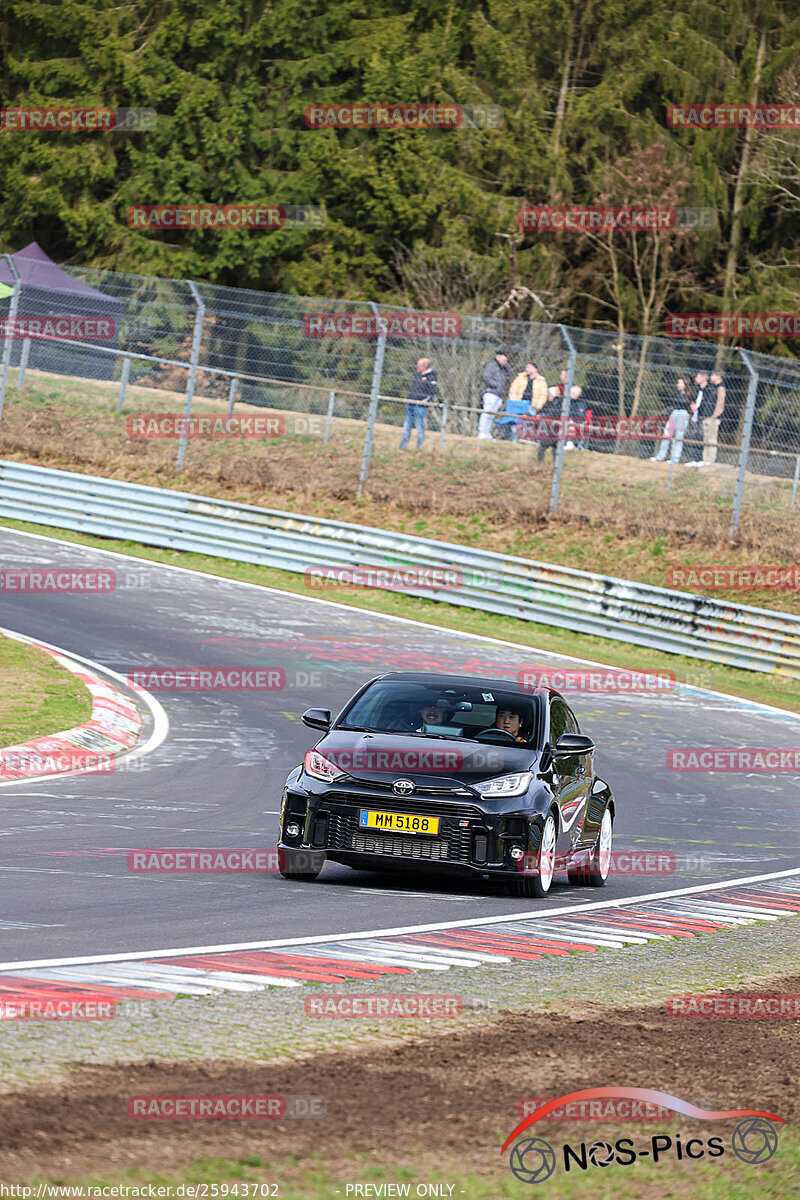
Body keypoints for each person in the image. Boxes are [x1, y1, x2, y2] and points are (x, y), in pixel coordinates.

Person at [650, 378, 693, 463]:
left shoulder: (690, 395)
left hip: (683, 414)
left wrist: (689, 414)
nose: (677, 384)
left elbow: (692, 407)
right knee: (666, 434)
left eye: (679, 383)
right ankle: (660, 456)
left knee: (679, 437)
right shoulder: (677, 393)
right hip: (675, 412)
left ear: (684, 385)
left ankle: (675, 459)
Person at [399, 357, 437, 450]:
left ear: (424, 366)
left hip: (419, 406)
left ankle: (420, 447)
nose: (417, 367)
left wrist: (423, 402)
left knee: (419, 426)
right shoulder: (417, 375)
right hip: (410, 403)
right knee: (407, 426)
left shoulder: (431, 376)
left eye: (418, 365)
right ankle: (403, 445)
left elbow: (431, 393)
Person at [478, 348, 512, 439]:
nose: (505, 362)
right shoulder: (491, 365)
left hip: (499, 394)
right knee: (487, 412)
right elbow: (486, 377)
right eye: (504, 360)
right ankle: (482, 432)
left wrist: (506, 365)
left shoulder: (504, 368)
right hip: (491, 392)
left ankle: (487, 432)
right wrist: (496, 385)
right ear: (498, 357)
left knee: (492, 415)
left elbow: (510, 373)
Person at [685, 370, 709, 465]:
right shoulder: (699, 390)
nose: (696, 379)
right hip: (695, 416)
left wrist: (698, 408)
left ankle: (700, 459)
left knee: (701, 437)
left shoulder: (708, 390)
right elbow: (696, 401)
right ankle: (695, 459)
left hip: (702, 416)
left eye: (698, 377)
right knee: (695, 437)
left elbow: (707, 404)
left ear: (703, 378)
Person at [702, 371, 726, 464]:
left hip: (714, 418)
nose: (710, 377)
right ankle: (705, 459)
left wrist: (714, 416)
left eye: (712, 375)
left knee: (711, 439)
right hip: (708, 416)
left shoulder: (721, 388)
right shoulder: (713, 388)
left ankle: (710, 459)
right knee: (706, 439)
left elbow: (720, 403)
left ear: (718, 377)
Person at [534, 386, 562, 463]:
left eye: (550, 394)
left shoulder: (558, 404)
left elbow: (554, 415)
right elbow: (540, 412)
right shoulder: (547, 403)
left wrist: (542, 416)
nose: (548, 396)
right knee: (543, 447)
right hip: (546, 428)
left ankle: (555, 465)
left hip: (554, 429)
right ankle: (541, 463)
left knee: (547, 447)